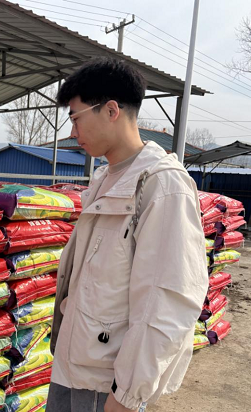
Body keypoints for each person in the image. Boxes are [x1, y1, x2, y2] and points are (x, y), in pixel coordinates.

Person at [47, 57, 208, 412]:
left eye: (76, 118)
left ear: (111, 111)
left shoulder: (161, 185)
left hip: (106, 384)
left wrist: (128, 395)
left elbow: (169, 299)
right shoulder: (105, 179)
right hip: (74, 365)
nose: (73, 132)